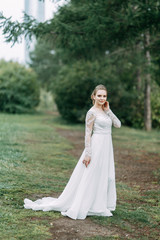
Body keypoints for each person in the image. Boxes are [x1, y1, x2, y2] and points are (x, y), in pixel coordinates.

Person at [24, 84, 121, 220]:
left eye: (104, 96)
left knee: (106, 175)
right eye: (99, 95)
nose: (102, 98)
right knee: (91, 174)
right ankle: (84, 203)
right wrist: (88, 153)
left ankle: (99, 204)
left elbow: (118, 124)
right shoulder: (91, 112)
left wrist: (109, 111)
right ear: (93, 96)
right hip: (97, 145)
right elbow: (88, 134)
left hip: (107, 146)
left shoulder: (106, 111)